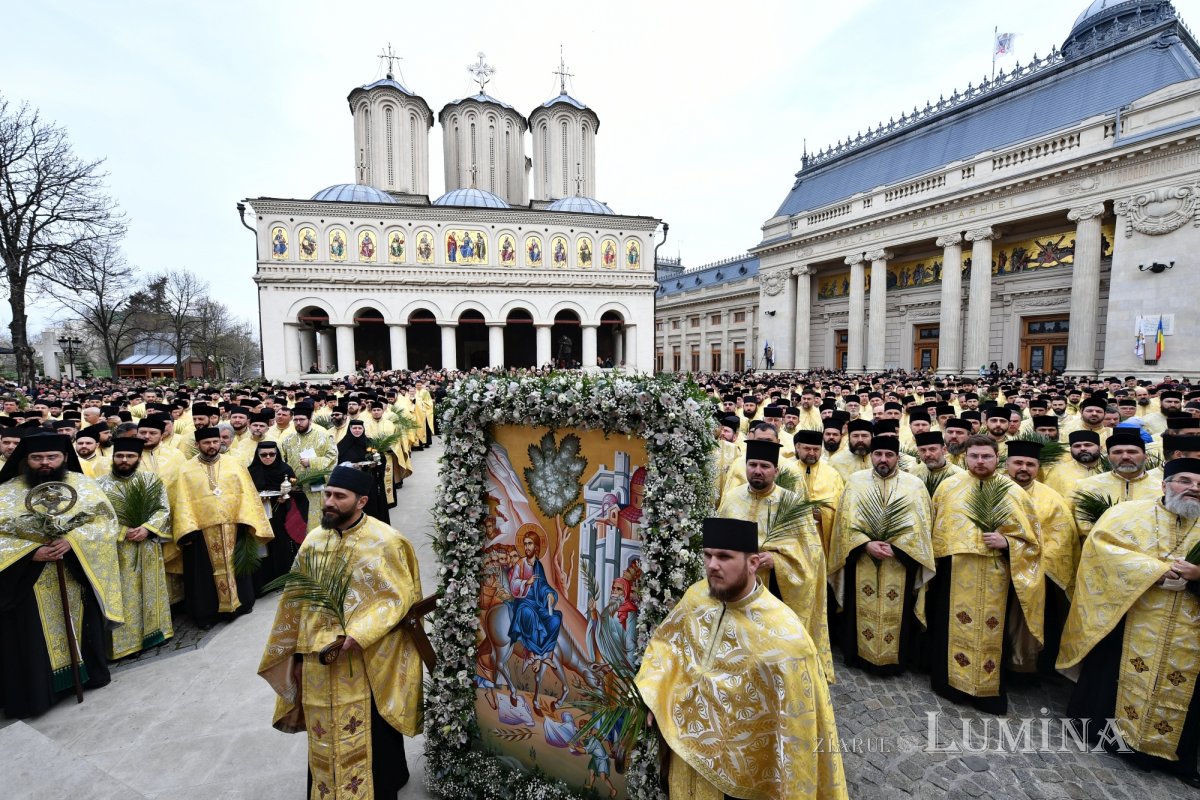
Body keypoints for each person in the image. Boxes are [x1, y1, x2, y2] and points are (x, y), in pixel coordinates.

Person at [635, 517, 847, 800]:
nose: (712, 565)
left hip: (741, 778)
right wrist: (653, 695)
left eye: (724, 556)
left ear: (753, 563)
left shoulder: (787, 638)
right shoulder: (696, 598)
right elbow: (668, 648)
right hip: (683, 753)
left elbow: (801, 732)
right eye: (708, 555)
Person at [258, 465, 423, 800]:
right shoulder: (314, 541)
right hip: (319, 655)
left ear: (361, 500)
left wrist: (359, 633)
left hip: (366, 655)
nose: (328, 502)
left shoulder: (385, 542)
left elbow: (399, 597)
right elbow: (296, 602)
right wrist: (298, 656)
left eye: (338, 496)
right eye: (327, 494)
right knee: (323, 726)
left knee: (373, 726)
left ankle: (381, 785)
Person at [1058, 458, 1200, 788]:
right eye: (1184, 480)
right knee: (1112, 675)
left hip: (1190, 629)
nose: (1193, 488)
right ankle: (1106, 734)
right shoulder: (1129, 513)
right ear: (1164, 485)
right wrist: (1153, 571)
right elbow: (1101, 551)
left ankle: (1168, 754)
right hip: (1130, 616)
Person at [0, 433, 122, 718]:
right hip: (27, 582)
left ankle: (85, 676)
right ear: (25, 460)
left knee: (80, 624)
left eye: (51, 457)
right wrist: (30, 552)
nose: (45, 463)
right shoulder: (6, 492)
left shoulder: (83, 485)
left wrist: (74, 540)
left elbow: (105, 522)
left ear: (65, 458)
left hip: (73, 573)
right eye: (37, 458)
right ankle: (39, 693)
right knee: (31, 638)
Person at [927, 434, 1044, 713]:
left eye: (986, 456)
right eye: (974, 456)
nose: (980, 462)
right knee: (948, 628)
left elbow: (1034, 543)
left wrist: (1008, 543)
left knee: (992, 633)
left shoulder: (1013, 492)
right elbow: (934, 530)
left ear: (997, 458)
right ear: (964, 457)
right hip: (953, 575)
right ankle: (950, 685)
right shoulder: (948, 488)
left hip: (997, 578)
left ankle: (987, 692)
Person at [717, 439, 833, 680]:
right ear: (746, 467)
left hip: (775, 591)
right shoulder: (732, 498)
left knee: (770, 656)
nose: (757, 470)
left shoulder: (792, 503)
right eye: (753, 464)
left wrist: (777, 560)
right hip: (736, 588)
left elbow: (812, 555)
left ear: (776, 471)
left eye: (764, 466)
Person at [829, 436, 934, 674]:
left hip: (900, 562)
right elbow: (844, 524)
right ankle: (859, 655)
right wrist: (865, 545)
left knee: (900, 611)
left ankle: (896, 660)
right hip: (862, 559)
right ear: (871, 456)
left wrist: (897, 548)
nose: (883, 460)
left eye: (889, 455)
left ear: (898, 457)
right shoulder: (855, 482)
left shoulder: (914, 485)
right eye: (878, 454)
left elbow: (921, 527)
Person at [170, 427, 272, 629]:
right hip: (200, 532)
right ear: (198, 445)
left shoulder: (234, 465)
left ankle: (240, 606)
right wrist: (187, 530)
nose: (212, 446)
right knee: (203, 574)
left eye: (215, 442)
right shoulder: (185, 470)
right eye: (206, 443)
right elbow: (181, 502)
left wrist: (246, 520)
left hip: (234, 526)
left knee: (236, 566)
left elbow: (247, 495)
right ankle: (206, 613)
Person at [1004, 438, 1079, 674]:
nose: (1024, 468)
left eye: (1030, 464)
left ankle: (1020, 667)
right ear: (1007, 464)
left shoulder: (1051, 499)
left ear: (1038, 468)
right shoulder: (992, 489)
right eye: (1018, 463)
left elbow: (1060, 541)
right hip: (991, 568)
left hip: (1032, 573)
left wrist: (1021, 556)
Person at [96, 438, 174, 660]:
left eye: (129, 456)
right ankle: (126, 644)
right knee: (126, 594)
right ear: (112, 458)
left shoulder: (151, 480)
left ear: (138, 459)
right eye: (119, 456)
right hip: (119, 550)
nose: (124, 460)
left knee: (151, 589)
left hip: (147, 546)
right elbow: (97, 519)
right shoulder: (100, 485)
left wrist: (148, 529)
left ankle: (155, 632)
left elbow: (163, 509)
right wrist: (122, 532)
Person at [247, 441, 308, 594]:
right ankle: (264, 583)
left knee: (281, 546)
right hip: (260, 515)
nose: (268, 457)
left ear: (277, 454)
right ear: (258, 455)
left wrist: (286, 498)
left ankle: (283, 580)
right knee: (263, 546)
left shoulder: (285, 469)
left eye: (272, 454)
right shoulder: (252, 471)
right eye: (264, 455)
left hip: (280, 515)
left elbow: (297, 492)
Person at [279, 403, 337, 528]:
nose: (298, 423)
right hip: (294, 488)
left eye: (302, 420)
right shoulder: (288, 440)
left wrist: (312, 462)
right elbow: (283, 461)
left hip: (316, 488)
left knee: (315, 522)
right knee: (296, 523)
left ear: (310, 420)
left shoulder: (324, 436)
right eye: (295, 420)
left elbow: (333, 458)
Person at [335, 418, 390, 523]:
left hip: (368, 482)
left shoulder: (370, 443)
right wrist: (350, 465)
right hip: (350, 482)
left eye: (359, 428)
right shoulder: (341, 445)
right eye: (354, 428)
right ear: (349, 429)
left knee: (370, 505)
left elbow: (381, 458)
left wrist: (375, 464)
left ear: (363, 429)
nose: (357, 430)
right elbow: (336, 462)